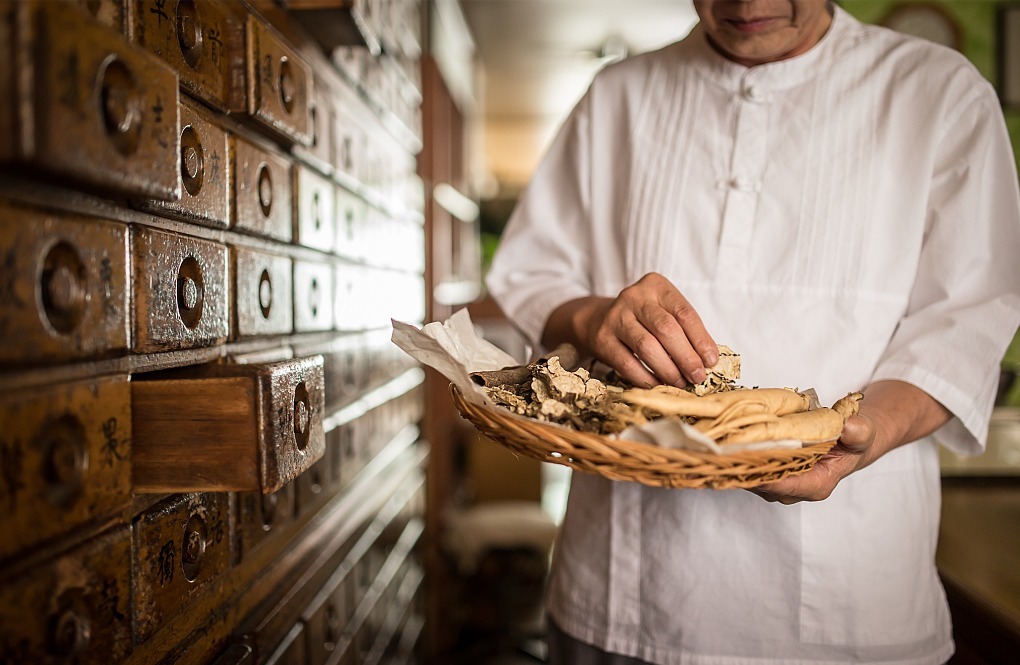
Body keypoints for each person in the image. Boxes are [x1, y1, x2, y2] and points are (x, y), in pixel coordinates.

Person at [485, 0, 1020, 663]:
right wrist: (591, 317)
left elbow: (966, 322)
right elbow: (532, 273)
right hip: (618, 596)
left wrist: (864, 436)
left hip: (852, 605)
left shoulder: (939, 91)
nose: (746, 4)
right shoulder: (617, 94)